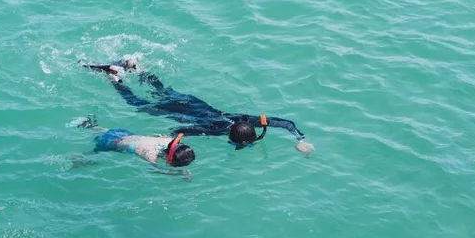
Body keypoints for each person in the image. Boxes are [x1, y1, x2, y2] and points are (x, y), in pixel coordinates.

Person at [86, 59, 314, 154]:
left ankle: (135, 66)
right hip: (177, 113)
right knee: (138, 103)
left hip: (194, 103)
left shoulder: (243, 118)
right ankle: (115, 77)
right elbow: (181, 131)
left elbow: (285, 123)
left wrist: (301, 138)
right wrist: (162, 139)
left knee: (162, 90)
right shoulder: (215, 131)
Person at [76, 117, 195, 172]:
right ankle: (75, 158)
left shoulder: (168, 140)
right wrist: (179, 174)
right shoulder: (150, 154)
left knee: (103, 131)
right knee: (92, 157)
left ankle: (88, 125)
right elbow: (158, 170)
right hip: (111, 143)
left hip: (124, 134)